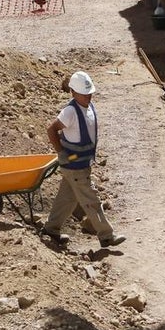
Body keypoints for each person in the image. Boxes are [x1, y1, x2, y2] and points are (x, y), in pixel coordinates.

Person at [41, 71, 125, 248]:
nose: (88, 96)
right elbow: (51, 129)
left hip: (81, 164)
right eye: (84, 93)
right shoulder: (70, 112)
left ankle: (51, 229)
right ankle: (106, 235)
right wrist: (61, 153)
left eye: (89, 93)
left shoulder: (89, 107)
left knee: (67, 199)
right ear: (73, 92)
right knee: (91, 199)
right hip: (74, 166)